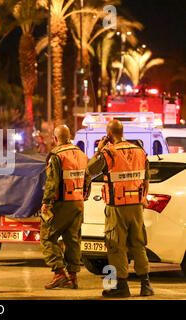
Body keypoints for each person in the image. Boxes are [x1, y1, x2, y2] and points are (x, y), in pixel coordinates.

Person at [86, 119, 154, 298]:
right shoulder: (140, 151)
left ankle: (122, 286)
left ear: (108, 135)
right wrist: (143, 198)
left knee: (116, 246)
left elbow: (90, 169)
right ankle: (146, 285)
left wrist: (99, 149)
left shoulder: (109, 152)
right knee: (138, 244)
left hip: (117, 207)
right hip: (137, 207)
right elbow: (146, 177)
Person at [40, 125, 89, 289]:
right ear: (70, 136)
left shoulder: (57, 156)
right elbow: (87, 178)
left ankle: (59, 273)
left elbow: (52, 181)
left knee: (47, 237)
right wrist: (84, 195)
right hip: (78, 202)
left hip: (62, 204)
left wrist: (46, 202)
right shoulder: (82, 155)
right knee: (72, 239)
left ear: (55, 138)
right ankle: (73, 277)